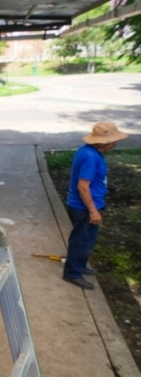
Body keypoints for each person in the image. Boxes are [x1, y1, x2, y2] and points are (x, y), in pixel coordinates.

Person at [62, 121, 128, 290]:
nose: (115, 143)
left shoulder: (87, 151)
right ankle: (72, 273)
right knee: (82, 241)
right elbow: (83, 186)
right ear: (105, 142)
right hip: (84, 207)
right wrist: (93, 211)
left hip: (87, 205)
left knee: (86, 239)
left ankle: (80, 265)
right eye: (114, 140)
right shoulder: (90, 157)